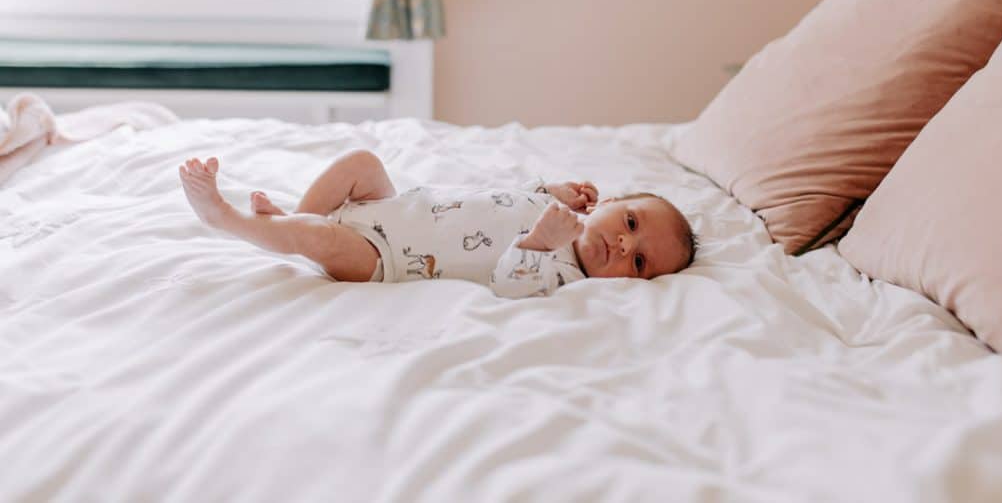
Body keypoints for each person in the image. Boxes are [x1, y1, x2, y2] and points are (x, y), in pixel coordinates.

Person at [178, 149, 697, 298]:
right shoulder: (564, 214)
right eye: (630, 221)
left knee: (319, 241)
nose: (624, 244)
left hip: (384, 258)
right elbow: (511, 196)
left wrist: (540, 242)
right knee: (362, 165)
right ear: (611, 202)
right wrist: (553, 192)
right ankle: (295, 216)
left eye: (640, 261)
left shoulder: (563, 273)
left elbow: (509, 283)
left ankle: (230, 220)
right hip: (395, 208)